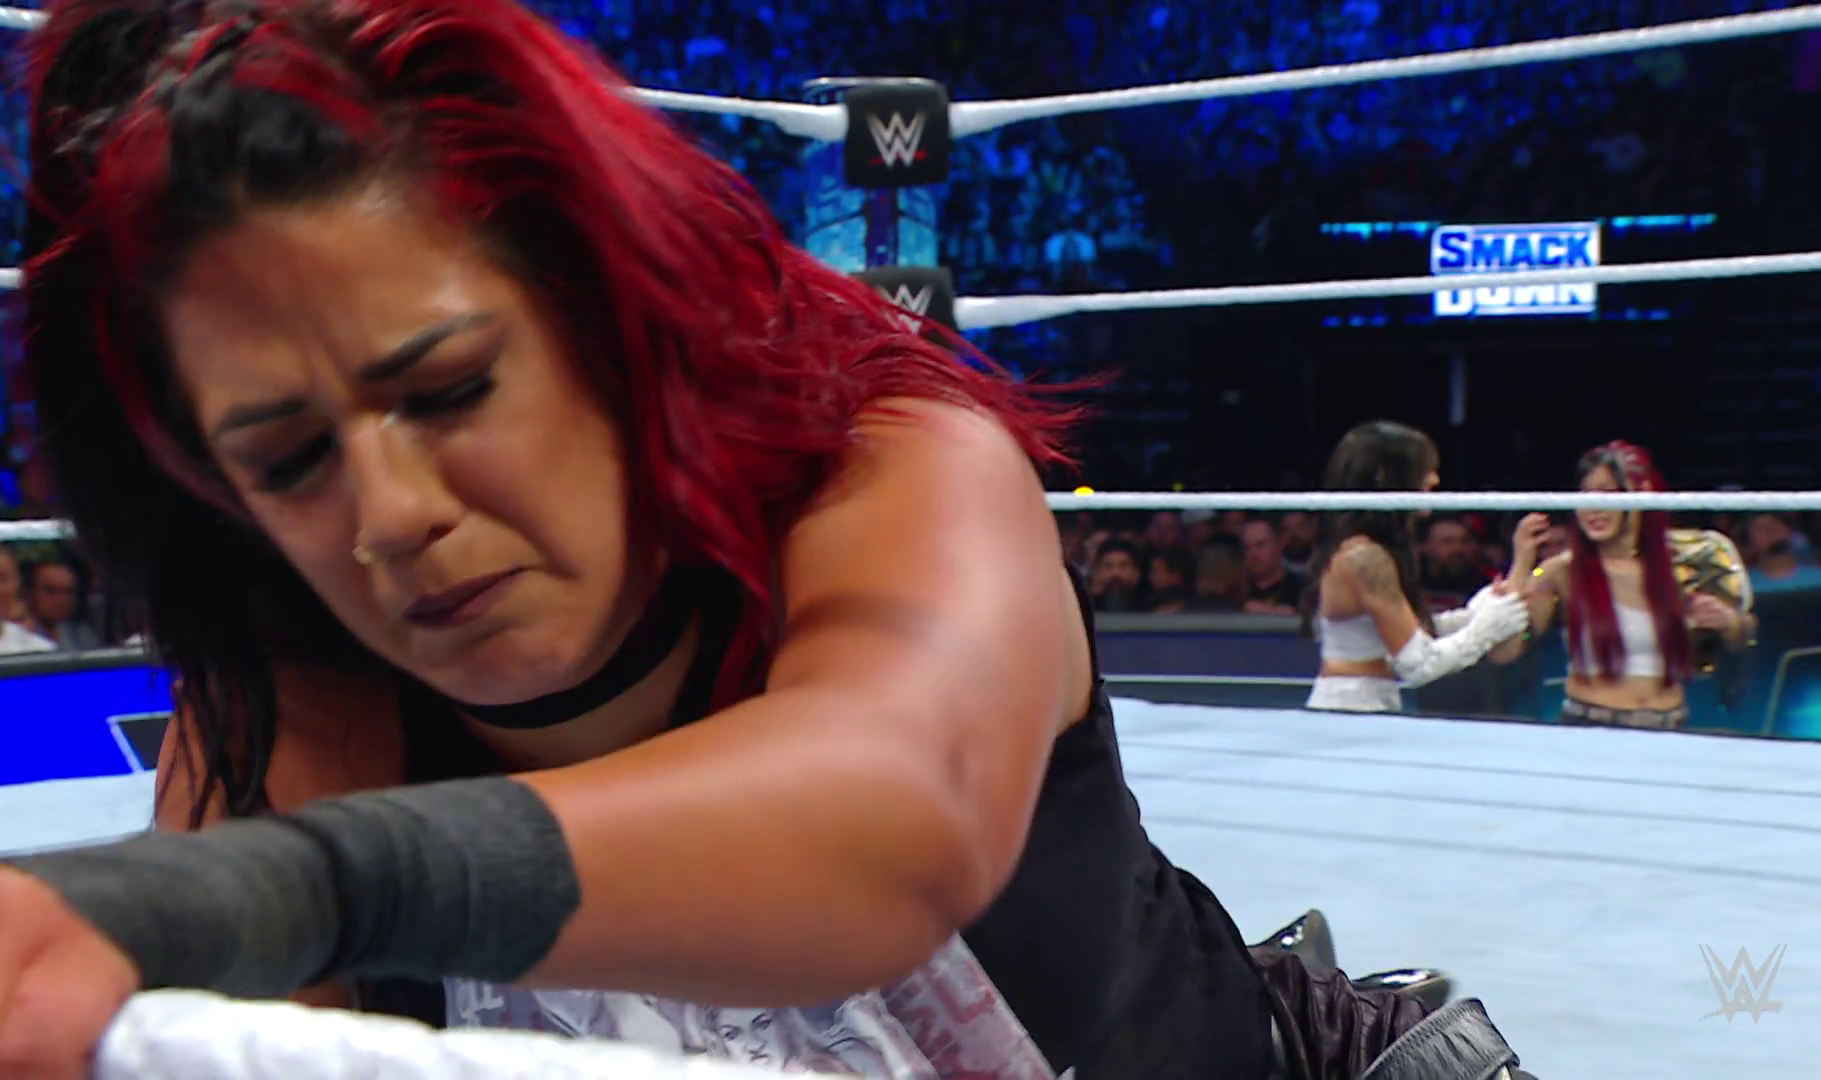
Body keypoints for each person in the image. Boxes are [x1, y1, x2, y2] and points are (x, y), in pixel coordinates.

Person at [0, 3, 1536, 1079]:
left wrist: (289, 889)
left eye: (452, 388)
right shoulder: (283, 716)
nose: (390, 514)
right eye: (288, 460)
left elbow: (889, 824)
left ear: (599, 316)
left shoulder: (894, 471)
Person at [1499, 441, 1752, 730]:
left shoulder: (1684, 563)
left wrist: (1730, 624)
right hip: (1590, 726)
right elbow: (1506, 650)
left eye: (1607, 494)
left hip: (1670, 725)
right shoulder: (1561, 571)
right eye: (1585, 495)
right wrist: (1521, 564)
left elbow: (1742, 641)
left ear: (1641, 495)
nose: (1594, 508)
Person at [1301, 422, 1529, 714]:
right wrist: (1487, 627)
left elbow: (1411, 632)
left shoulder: (1366, 549)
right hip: (1350, 707)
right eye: (1424, 469)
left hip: (1363, 703)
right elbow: (1420, 664)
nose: (1434, 479)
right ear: (1386, 475)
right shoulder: (1363, 557)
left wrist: (1476, 614)